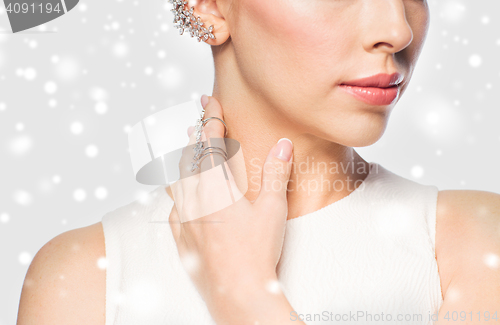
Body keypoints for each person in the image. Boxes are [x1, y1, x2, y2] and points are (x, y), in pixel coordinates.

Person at [17, 0, 500, 324]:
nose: (398, 29)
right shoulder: (84, 278)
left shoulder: (474, 242)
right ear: (207, 6)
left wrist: (244, 293)